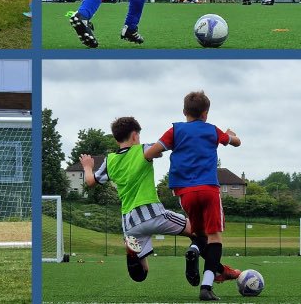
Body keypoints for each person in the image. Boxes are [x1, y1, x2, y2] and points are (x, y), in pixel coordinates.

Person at [145, 91, 244, 301]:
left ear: (184, 112)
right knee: (214, 237)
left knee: (199, 235)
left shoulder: (175, 130)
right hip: (209, 189)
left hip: (184, 191)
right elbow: (237, 142)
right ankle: (206, 287)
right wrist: (230, 134)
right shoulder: (212, 130)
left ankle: (193, 249)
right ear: (206, 113)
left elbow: (150, 153)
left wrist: (163, 151)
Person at [80, 117, 198, 283]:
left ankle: (132, 253)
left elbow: (90, 181)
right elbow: (162, 148)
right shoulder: (143, 150)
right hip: (153, 214)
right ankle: (193, 253)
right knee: (199, 231)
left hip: (130, 225)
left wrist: (87, 166)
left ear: (116, 138)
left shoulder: (110, 160)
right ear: (135, 135)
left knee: (141, 274)